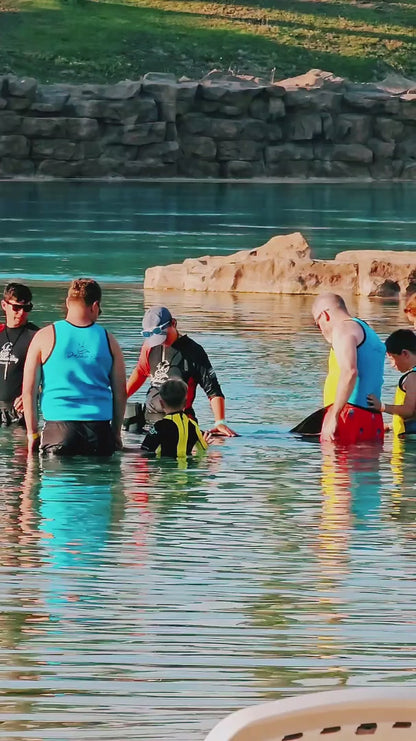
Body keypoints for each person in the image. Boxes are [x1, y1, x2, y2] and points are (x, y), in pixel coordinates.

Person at [22, 278, 127, 456]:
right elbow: (120, 393)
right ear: (95, 306)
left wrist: (32, 433)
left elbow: (28, 391)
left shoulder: (44, 337)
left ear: (67, 303)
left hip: (59, 431)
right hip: (99, 431)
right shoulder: (109, 340)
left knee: (58, 483)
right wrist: (115, 433)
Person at [127, 306, 236, 436]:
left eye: (163, 336)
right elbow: (140, 371)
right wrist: (118, 398)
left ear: (173, 323)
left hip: (180, 422)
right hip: (150, 420)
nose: (160, 342)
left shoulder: (194, 351)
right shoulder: (149, 347)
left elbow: (213, 390)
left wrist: (219, 422)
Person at [312, 293, 385, 444]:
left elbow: (349, 372)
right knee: (367, 467)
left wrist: (334, 415)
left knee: (335, 466)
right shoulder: (368, 331)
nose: (321, 330)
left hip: (347, 416)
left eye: (317, 324)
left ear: (325, 315)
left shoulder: (342, 328)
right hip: (373, 419)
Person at [141, 378, 212, 458]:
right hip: (186, 468)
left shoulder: (160, 426)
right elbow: (202, 450)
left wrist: (124, 449)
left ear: (161, 403)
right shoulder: (193, 425)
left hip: (165, 468)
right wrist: (204, 444)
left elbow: (145, 450)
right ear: (185, 403)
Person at [0, 282, 38, 426]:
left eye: (26, 308)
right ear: (4, 305)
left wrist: (30, 394)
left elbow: (51, 374)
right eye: (16, 307)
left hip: (20, 411)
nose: (21, 313)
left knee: (23, 448)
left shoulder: (36, 336)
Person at [368, 329, 416, 437]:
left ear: (405, 353)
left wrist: (382, 406)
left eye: (392, 358)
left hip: (410, 436)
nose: (392, 365)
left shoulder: (412, 377)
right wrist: (391, 426)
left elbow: (409, 410)